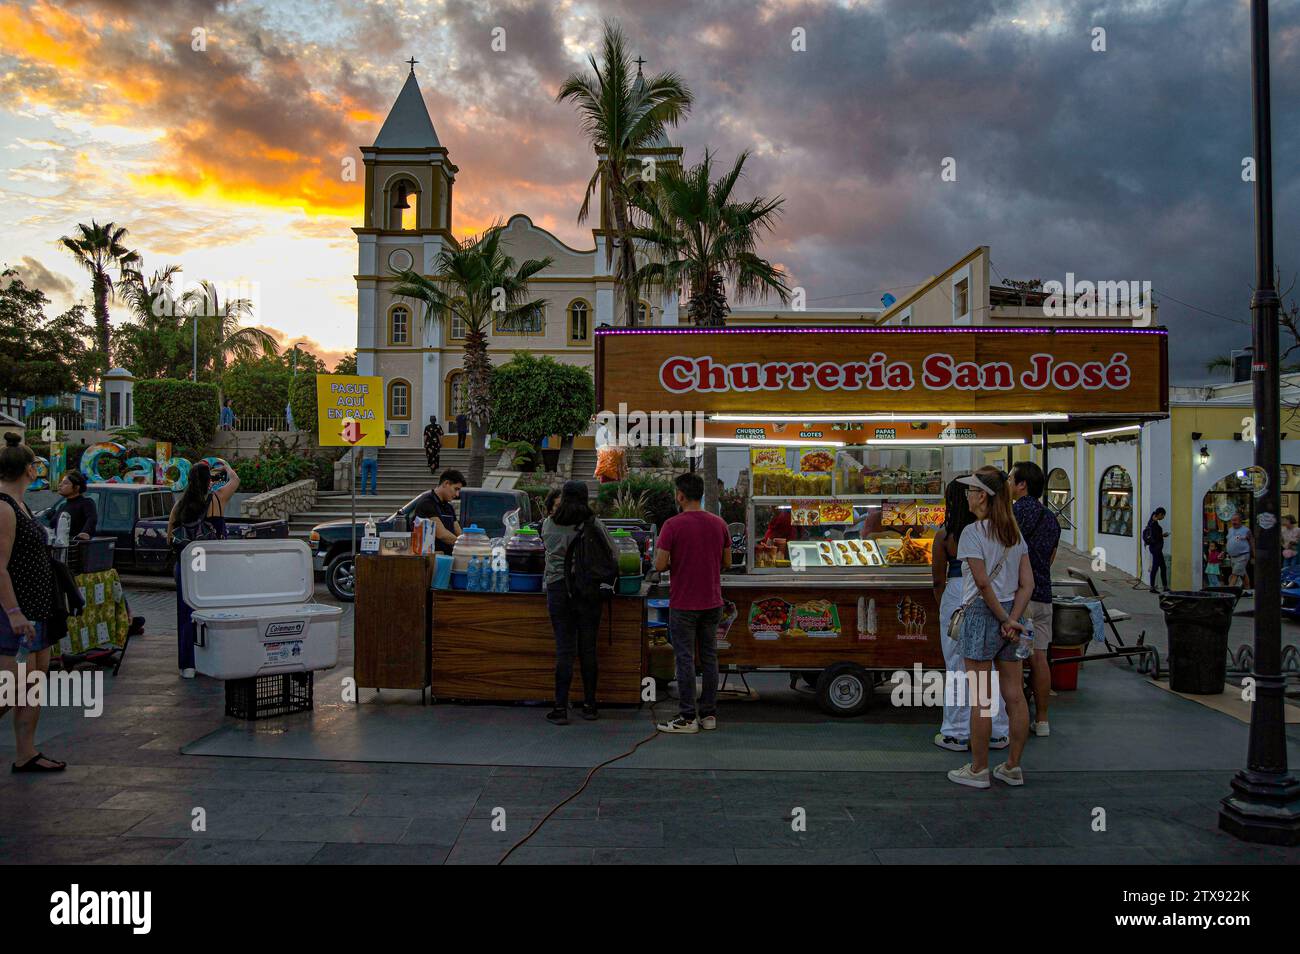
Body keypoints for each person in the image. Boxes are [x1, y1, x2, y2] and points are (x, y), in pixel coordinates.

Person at [947, 466, 1033, 789]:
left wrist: (1002, 619)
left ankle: (979, 769)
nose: (967, 496)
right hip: (1011, 614)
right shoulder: (1014, 534)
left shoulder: (972, 533)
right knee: (1015, 696)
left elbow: (982, 584)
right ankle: (1012, 766)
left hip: (984, 616)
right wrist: (1013, 619)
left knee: (981, 699)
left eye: (971, 491)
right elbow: (1028, 584)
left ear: (982, 496)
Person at [0, 433, 64, 772]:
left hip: (37, 608)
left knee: (34, 683)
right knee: (11, 687)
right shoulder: (4, 508)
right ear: (29, 469)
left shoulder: (21, 504)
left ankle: (26, 753)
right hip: (15, 611)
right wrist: (13, 613)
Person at [932, 477, 1009, 752]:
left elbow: (937, 581)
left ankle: (956, 732)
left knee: (957, 664)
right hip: (994, 595)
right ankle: (997, 731)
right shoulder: (995, 531)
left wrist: (945, 606)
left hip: (957, 592)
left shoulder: (946, 536)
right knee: (991, 665)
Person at [654, 472, 731, 734]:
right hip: (712, 602)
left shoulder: (672, 525)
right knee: (709, 657)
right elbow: (727, 562)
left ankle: (688, 717)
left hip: (684, 603)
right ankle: (709, 715)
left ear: (680, 495)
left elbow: (660, 564)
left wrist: (677, 562)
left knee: (685, 659)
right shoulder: (719, 524)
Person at [541, 481, 618, 724]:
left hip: (558, 589)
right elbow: (613, 554)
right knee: (588, 649)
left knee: (564, 649)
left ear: (563, 498)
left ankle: (560, 708)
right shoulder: (593, 523)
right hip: (588, 591)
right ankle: (589, 706)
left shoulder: (549, 524)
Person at [167, 458, 240, 679]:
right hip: (210, 564)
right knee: (213, 614)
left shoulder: (179, 505)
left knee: (186, 613)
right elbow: (235, 480)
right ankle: (211, 661)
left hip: (186, 564)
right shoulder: (217, 499)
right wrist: (225, 465)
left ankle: (188, 665)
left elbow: (170, 537)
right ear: (209, 481)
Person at [1011, 461, 1061, 739]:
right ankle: (1042, 720)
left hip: (1020, 599)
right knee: (1039, 658)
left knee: (1016, 659)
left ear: (1022, 485)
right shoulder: (1051, 518)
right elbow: (1050, 558)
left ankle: (1014, 717)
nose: (1008, 483)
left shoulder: (1013, 513)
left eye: (1011, 479)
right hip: (1043, 596)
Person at [412, 469, 464, 555]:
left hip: (448, 557)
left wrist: (469, 541)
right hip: (431, 558)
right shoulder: (427, 502)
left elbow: (459, 533)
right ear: (446, 483)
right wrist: (465, 545)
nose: (457, 494)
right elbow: (441, 534)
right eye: (456, 489)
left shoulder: (449, 507)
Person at [53, 470, 97, 540]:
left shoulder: (86, 503)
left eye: (65, 483)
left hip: (77, 544)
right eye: (61, 482)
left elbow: (92, 519)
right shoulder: (62, 506)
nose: (60, 485)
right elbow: (53, 525)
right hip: (61, 544)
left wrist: (85, 533)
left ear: (76, 487)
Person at [1143, 507, 1170, 592]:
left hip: (1156, 548)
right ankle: (1152, 587)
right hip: (1156, 548)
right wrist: (1163, 535)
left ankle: (1165, 586)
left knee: (1163, 567)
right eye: (1163, 516)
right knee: (1155, 567)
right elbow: (1155, 536)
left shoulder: (1153, 521)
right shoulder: (1153, 523)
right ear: (1160, 514)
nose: (1163, 518)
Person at [1225, 512, 1252, 591]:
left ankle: (1229, 592)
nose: (1233, 522)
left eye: (1235, 520)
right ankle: (1248, 590)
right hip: (1233, 557)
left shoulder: (1246, 530)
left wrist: (1254, 555)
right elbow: (1229, 541)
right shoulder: (1230, 530)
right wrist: (1225, 552)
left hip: (1243, 555)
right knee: (1243, 574)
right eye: (1232, 520)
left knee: (1235, 574)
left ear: (1240, 521)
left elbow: (1252, 541)